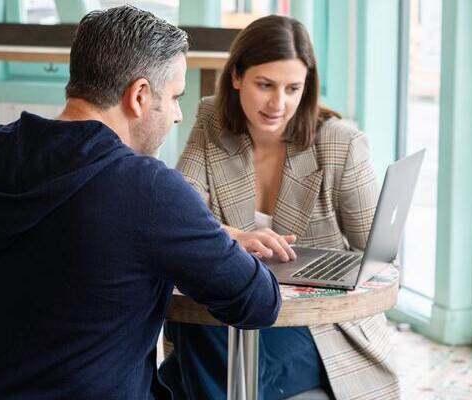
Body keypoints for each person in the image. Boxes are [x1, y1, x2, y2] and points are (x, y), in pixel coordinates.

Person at [0, 5, 282, 399]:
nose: (178, 115)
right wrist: (214, 239)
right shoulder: (148, 189)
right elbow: (259, 302)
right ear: (140, 96)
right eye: (176, 96)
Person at [160, 15, 399, 400]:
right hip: (232, 309)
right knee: (204, 328)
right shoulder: (211, 120)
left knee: (186, 365)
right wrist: (235, 238)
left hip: (317, 328)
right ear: (236, 76)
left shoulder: (340, 144)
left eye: (293, 88)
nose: (279, 103)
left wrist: (317, 284)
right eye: (265, 85)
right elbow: (177, 218)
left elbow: (380, 259)